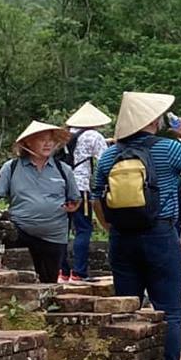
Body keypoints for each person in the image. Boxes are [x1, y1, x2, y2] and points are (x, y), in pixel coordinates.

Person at [93, 91, 181, 360]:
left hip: (121, 237)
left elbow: (96, 197)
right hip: (160, 235)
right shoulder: (168, 148)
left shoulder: (109, 155)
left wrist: (110, 227)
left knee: (125, 306)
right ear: (153, 121)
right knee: (169, 309)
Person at [0, 121, 79, 285]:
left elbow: (74, 199)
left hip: (54, 235)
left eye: (51, 140)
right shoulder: (11, 167)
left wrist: (73, 206)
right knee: (17, 282)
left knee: (49, 283)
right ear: (28, 142)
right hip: (20, 231)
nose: (48, 143)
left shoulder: (63, 170)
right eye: (41, 139)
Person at [59, 102, 111, 283]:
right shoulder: (93, 135)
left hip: (59, 187)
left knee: (61, 231)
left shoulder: (65, 135)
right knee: (83, 230)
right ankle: (79, 272)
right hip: (81, 188)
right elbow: (105, 159)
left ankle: (62, 271)